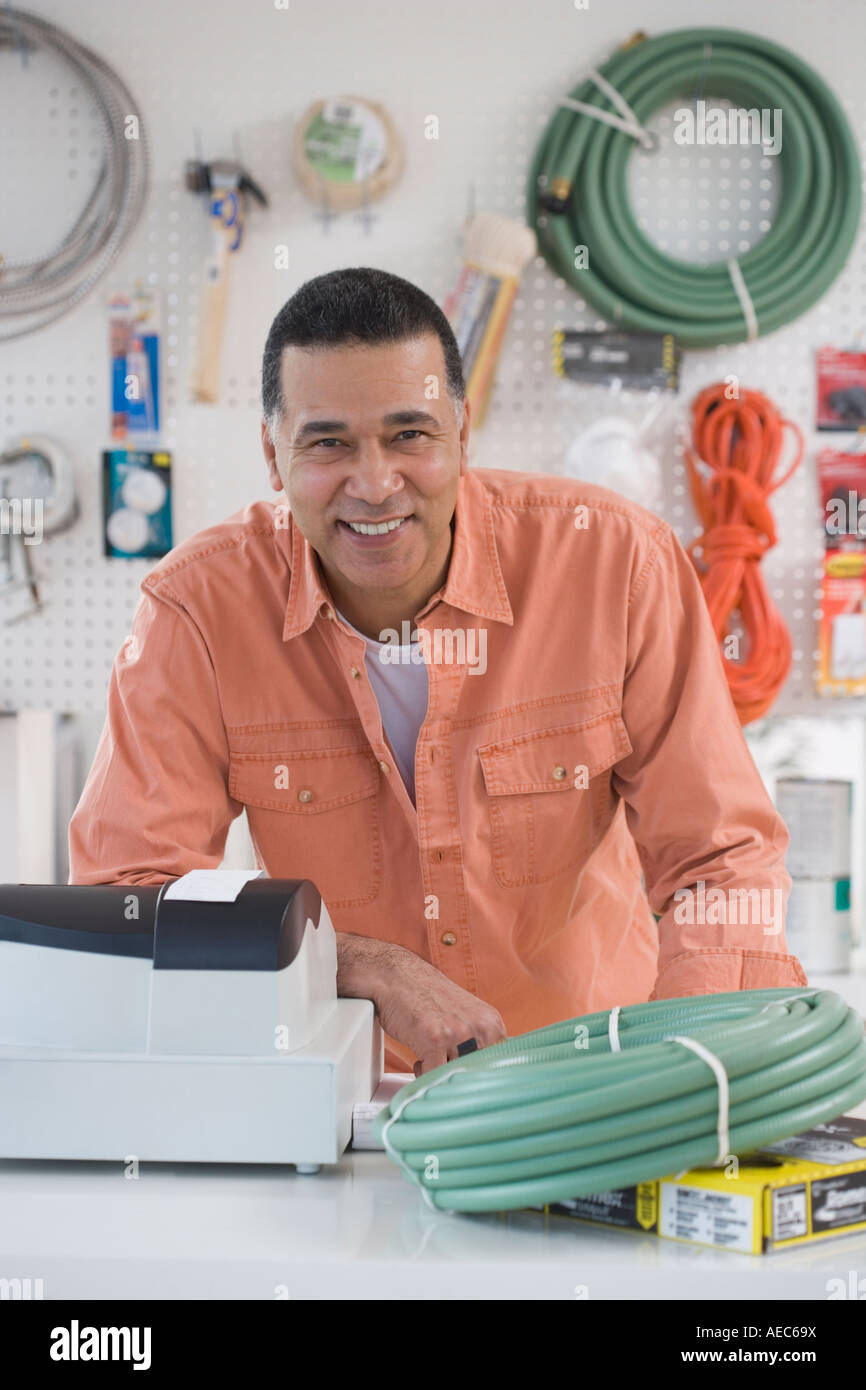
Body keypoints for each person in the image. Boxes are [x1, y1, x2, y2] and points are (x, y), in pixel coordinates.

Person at [69, 266, 806, 1075]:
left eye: (409, 435)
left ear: (462, 433)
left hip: (593, 1086)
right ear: (273, 456)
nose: (374, 484)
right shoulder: (196, 611)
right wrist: (360, 964)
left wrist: (696, 1065)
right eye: (328, 443)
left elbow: (720, 858)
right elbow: (127, 901)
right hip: (348, 1099)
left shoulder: (617, 564)